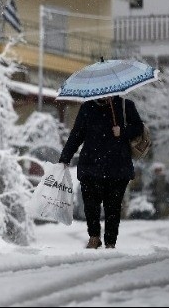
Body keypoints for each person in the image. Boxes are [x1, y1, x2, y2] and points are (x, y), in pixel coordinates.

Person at [58, 95, 144, 249]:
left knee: (113, 207)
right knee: (91, 205)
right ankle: (94, 237)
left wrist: (122, 131)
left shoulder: (125, 105)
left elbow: (138, 128)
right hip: (91, 166)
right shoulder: (87, 107)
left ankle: (110, 242)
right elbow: (77, 134)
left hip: (117, 167)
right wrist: (65, 157)